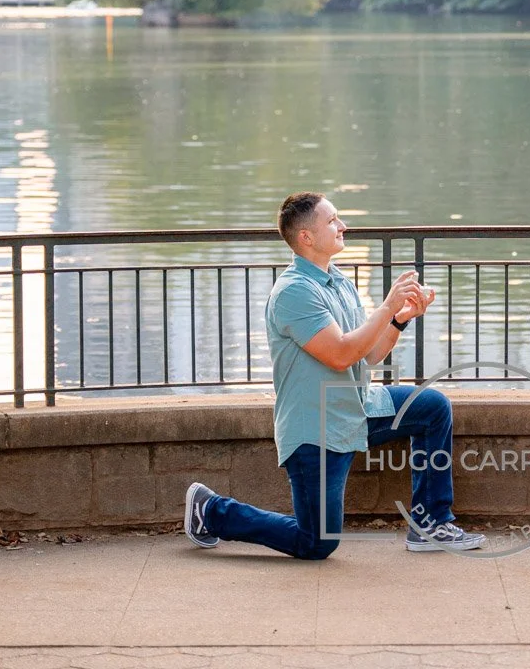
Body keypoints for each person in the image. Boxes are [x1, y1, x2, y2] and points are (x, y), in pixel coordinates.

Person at [183, 191, 486, 558]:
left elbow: (368, 354)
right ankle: (211, 510)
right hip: (317, 430)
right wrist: (388, 304)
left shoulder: (338, 282)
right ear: (306, 238)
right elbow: (341, 355)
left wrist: (399, 318)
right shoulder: (293, 293)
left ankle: (430, 524)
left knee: (431, 407)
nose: (342, 226)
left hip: (358, 410)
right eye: (332, 221)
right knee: (316, 543)